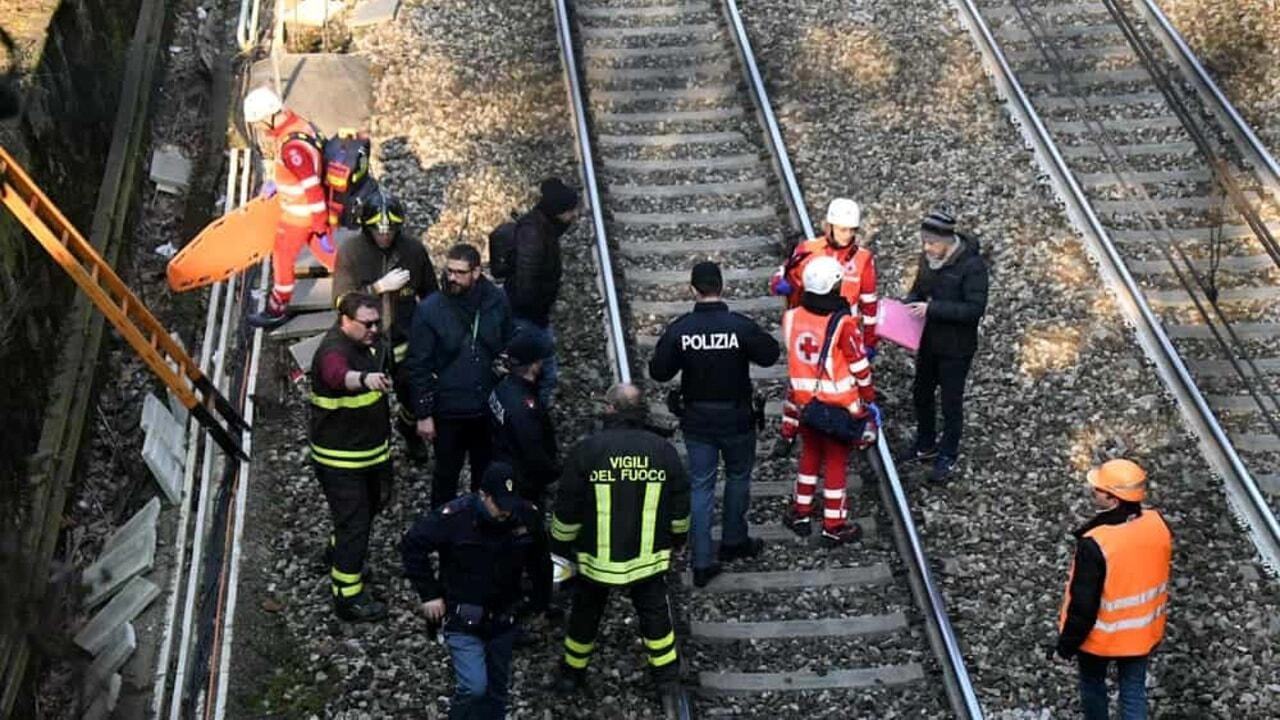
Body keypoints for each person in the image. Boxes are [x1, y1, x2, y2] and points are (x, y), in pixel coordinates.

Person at [548, 384, 690, 712]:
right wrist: (678, 541)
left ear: (611, 409)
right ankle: (667, 680)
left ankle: (572, 673)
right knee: (656, 619)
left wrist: (560, 547)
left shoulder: (588, 451)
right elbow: (680, 507)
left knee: (585, 616)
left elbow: (566, 508)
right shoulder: (662, 450)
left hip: (596, 562)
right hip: (648, 561)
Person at [648, 261, 780, 587]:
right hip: (737, 419)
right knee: (738, 477)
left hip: (698, 421)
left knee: (701, 486)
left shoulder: (682, 329)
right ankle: (735, 540)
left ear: (692, 289)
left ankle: (703, 561)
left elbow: (659, 371)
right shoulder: (739, 326)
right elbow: (769, 354)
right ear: (722, 287)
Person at [401, 462, 543, 719]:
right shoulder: (455, 518)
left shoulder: (526, 515)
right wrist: (429, 594)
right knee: (474, 687)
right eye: (499, 506)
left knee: (497, 689)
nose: (505, 513)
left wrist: (538, 602)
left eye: (509, 506)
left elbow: (540, 560)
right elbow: (412, 545)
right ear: (483, 496)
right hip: (463, 619)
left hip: (504, 617)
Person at [1055, 459, 1172, 720]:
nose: (1093, 492)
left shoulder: (1096, 543)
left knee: (1092, 685)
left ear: (1114, 499)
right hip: (1141, 634)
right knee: (1133, 691)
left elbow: (1083, 604)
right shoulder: (1157, 525)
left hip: (1099, 639)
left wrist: (1066, 646)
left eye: (1099, 490)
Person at [332, 189, 438, 463]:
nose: (385, 236)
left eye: (391, 230)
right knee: (366, 402)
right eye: (379, 231)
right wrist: (378, 288)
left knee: (414, 397)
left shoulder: (413, 251)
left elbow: (430, 294)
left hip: (404, 338)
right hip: (367, 344)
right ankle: (373, 448)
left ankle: (409, 432)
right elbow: (342, 300)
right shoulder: (351, 253)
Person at [780, 256, 878, 547]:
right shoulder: (842, 323)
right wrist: (868, 398)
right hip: (838, 406)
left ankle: (800, 511)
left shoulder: (792, 317)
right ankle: (833, 524)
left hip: (805, 404)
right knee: (835, 463)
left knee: (809, 455)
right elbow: (859, 366)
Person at [407, 243, 513, 508]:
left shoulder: (497, 301)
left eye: (459, 272)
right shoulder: (431, 309)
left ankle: (479, 530)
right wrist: (423, 413)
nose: (451, 277)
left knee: (485, 475)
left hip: (486, 407)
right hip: (449, 409)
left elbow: (508, 338)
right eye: (449, 271)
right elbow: (417, 363)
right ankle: (442, 532)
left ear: (476, 272)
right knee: (445, 477)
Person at [308, 292, 392, 622]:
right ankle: (347, 595)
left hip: (368, 453)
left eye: (377, 322)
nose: (374, 329)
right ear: (345, 321)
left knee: (365, 511)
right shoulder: (333, 351)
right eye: (367, 324)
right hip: (341, 460)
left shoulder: (367, 343)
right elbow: (336, 376)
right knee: (355, 524)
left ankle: (338, 550)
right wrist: (364, 379)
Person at [904, 209, 989, 483]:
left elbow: (974, 309)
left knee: (951, 402)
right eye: (925, 242)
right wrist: (908, 303)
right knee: (921, 393)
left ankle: (948, 453)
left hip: (956, 348)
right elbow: (918, 289)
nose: (927, 248)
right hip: (928, 341)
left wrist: (932, 308)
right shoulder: (927, 259)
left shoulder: (972, 266)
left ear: (948, 240)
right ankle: (925, 442)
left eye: (932, 243)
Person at [242, 87, 335, 329]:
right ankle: (361, 285)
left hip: (299, 215)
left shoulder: (291, 148)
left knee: (282, 259)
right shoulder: (299, 124)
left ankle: (277, 308)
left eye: (257, 123)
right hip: (309, 214)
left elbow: (311, 186)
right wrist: (278, 181)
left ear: (268, 116)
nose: (258, 128)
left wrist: (320, 225)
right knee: (329, 256)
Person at [488, 331, 561, 618]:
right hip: (522, 485)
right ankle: (524, 604)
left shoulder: (502, 389)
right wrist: (556, 474)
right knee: (528, 544)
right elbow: (535, 454)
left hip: (505, 472)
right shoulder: (523, 406)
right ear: (534, 365)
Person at [500, 177, 580, 407]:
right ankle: (534, 412)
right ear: (558, 211)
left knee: (537, 369)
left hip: (530, 313)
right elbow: (526, 281)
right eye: (571, 210)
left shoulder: (544, 226)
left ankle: (531, 410)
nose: (575, 215)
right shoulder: (534, 235)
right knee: (545, 372)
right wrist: (536, 316)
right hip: (528, 316)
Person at [769, 197, 879, 356]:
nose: (847, 235)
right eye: (842, 230)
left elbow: (870, 305)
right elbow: (782, 272)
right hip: (809, 330)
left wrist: (869, 341)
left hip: (843, 332)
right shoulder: (808, 249)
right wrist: (780, 283)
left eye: (852, 230)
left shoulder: (863, 258)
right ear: (829, 227)